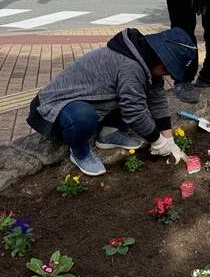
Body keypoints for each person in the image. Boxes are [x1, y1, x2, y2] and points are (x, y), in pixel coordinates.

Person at [26, 27, 197, 176]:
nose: (164, 76)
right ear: (162, 62)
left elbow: (157, 99)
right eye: (165, 71)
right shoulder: (130, 66)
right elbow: (134, 113)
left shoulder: (146, 60)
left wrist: (169, 140)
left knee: (135, 96)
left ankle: (108, 134)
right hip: (55, 106)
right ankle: (80, 152)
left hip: (95, 101)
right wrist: (158, 142)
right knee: (84, 116)